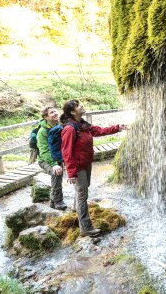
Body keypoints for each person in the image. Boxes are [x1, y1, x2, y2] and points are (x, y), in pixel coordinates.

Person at [60, 100, 128, 237]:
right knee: (82, 195)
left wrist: (118, 127)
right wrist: (71, 173)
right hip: (78, 166)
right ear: (73, 112)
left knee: (82, 190)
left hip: (86, 163)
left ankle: (76, 209)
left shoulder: (82, 124)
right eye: (79, 106)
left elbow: (99, 131)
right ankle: (85, 228)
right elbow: (66, 152)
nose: (82, 106)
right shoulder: (70, 129)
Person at [36, 107, 67, 210]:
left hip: (57, 157)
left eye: (55, 111)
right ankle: (58, 201)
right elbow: (43, 151)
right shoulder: (42, 131)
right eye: (52, 112)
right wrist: (54, 164)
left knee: (58, 175)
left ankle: (53, 202)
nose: (55, 113)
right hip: (44, 160)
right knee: (56, 173)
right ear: (46, 117)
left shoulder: (59, 126)